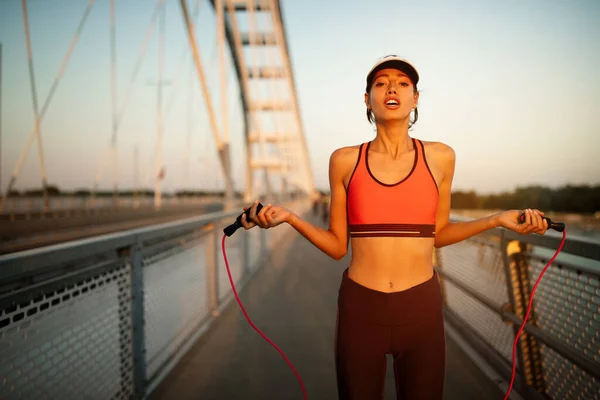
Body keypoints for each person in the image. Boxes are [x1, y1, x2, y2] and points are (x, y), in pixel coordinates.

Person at [239, 55, 548, 400]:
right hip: (361, 309)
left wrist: (496, 219)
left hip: (421, 309)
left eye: (403, 83)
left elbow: (440, 233)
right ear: (367, 98)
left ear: (415, 98)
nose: (392, 88)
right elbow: (339, 246)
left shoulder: (441, 157)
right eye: (381, 82)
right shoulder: (344, 160)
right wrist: (291, 218)